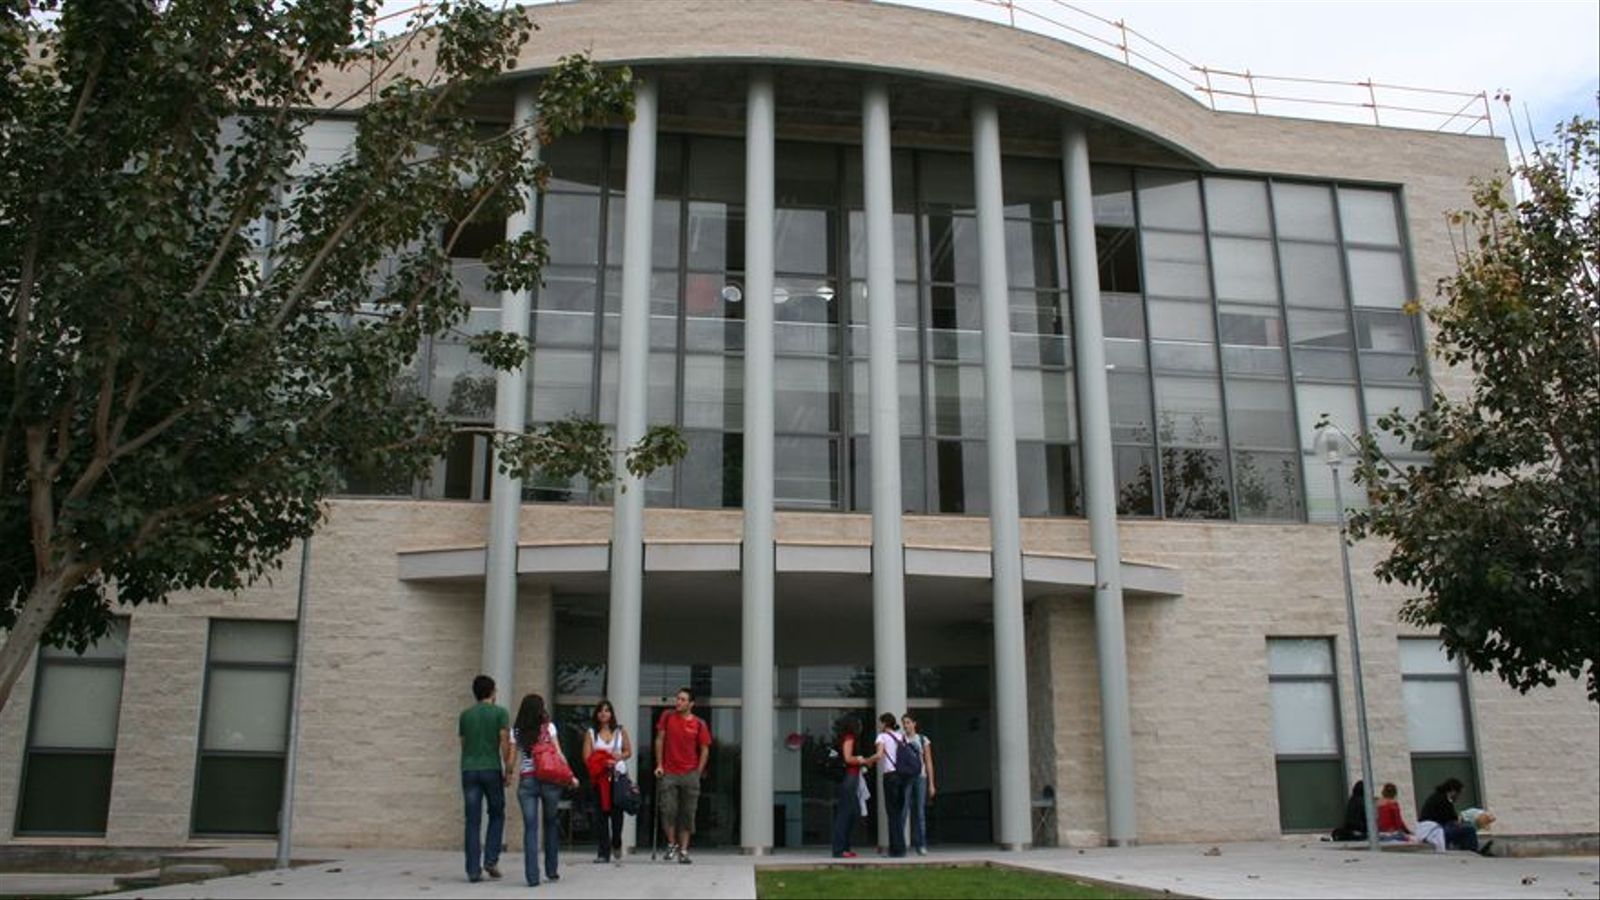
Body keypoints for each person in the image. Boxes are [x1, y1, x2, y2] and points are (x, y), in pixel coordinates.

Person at [512, 693, 578, 887]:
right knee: (550, 824)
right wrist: (570, 776)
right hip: (550, 780)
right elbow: (559, 755)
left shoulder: (516, 731)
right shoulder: (549, 728)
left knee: (530, 828)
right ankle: (551, 870)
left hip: (527, 781)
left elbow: (511, 760)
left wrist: (507, 774)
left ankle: (532, 876)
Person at [459, 674, 513, 883]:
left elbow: (463, 744)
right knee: (496, 813)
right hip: (490, 768)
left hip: (469, 769)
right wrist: (507, 768)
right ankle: (491, 859)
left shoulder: (465, 715)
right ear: (492, 691)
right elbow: (503, 742)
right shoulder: (500, 713)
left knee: (472, 820)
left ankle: (473, 869)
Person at [654, 686, 711, 865]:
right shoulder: (667, 716)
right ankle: (672, 844)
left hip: (690, 773)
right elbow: (660, 739)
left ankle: (684, 851)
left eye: (682, 699)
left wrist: (698, 772)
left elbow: (705, 749)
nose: (678, 702)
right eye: (677, 698)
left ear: (691, 704)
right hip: (669, 772)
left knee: (688, 813)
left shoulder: (699, 724)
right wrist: (659, 764)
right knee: (668, 809)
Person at [582, 699, 633, 865]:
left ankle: (616, 841)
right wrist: (602, 762)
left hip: (617, 777)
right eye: (601, 711)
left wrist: (619, 756)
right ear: (597, 714)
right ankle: (603, 852)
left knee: (617, 814)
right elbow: (587, 757)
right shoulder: (591, 733)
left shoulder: (620, 731)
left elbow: (628, 751)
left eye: (607, 710)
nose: (604, 713)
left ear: (611, 714)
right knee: (601, 816)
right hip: (599, 779)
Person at [830, 714, 880, 858]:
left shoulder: (847, 738)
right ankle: (839, 849)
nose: (861, 726)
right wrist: (860, 759)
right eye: (858, 723)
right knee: (845, 814)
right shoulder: (849, 738)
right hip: (849, 778)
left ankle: (845, 847)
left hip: (853, 777)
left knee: (852, 813)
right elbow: (847, 758)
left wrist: (863, 762)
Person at [1419, 777, 1494, 857]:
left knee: (1460, 830)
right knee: (1470, 829)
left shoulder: (1436, 797)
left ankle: (1465, 848)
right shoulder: (1444, 801)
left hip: (1427, 830)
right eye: (1459, 793)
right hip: (1434, 831)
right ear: (1453, 791)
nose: (1459, 797)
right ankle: (1472, 852)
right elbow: (1453, 820)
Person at [874, 712, 911, 858]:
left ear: (884, 723)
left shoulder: (882, 737)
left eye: (880, 722)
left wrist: (865, 761)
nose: (879, 725)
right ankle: (900, 848)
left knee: (892, 813)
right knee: (899, 813)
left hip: (890, 776)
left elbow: (879, 755)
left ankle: (895, 850)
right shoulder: (901, 737)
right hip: (902, 777)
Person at [901, 714, 936, 856]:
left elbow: (928, 762)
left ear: (914, 723)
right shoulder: (901, 740)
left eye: (908, 722)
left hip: (920, 777)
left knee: (920, 812)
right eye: (904, 723)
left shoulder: (923, 739)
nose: (905, 725)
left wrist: (931, 784)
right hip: (905, 778)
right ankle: (900, 844)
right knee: (903, 811)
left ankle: (921, 845)